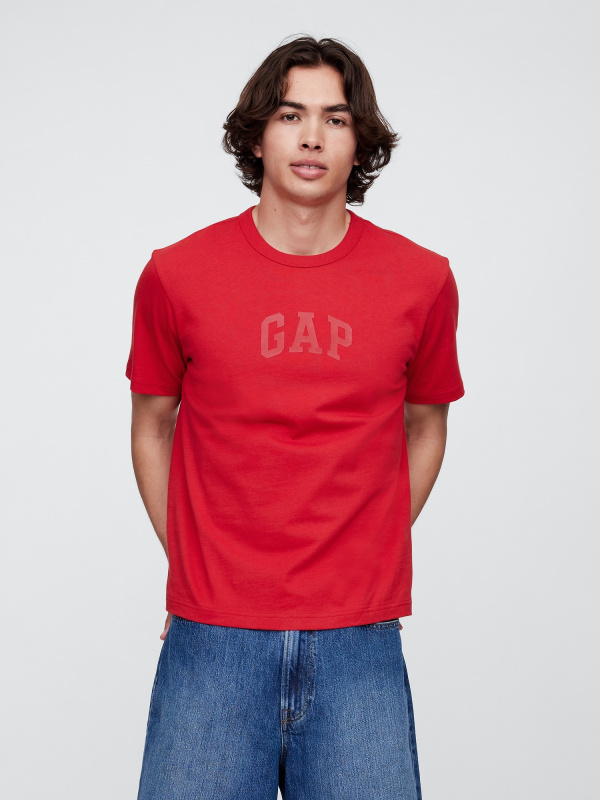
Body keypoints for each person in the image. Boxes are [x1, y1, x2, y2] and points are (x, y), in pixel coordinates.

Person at [126, 35, 464, 800]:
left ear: (360, 142)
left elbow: (427, 425)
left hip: (359, 641)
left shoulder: (422, 280)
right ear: (257, 135)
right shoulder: (177, 275)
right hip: (213, 638)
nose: (312, 136)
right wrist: (193, 563)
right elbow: (152, 424)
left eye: (335, 119)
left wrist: (370, 539)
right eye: (290, 115)